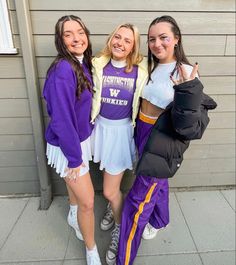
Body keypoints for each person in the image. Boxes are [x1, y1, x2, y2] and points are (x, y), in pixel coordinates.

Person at [117, 15, 217, 265]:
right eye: (152, 39)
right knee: (156, 183)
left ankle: (123, 258)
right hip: (141, 128)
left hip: (160, 139)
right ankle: (160, 220)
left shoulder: (185, 72)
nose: (157, 44)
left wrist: (187, 90)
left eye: (163, 37)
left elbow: (189, 128)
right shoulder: (149, 66)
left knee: (137, 200)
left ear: (176, 39)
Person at [43, 15, 101, 265]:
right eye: (68, 34)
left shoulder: (82, 63)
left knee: (77, 195)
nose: (77, 38)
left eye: (80, 32)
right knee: (89, 201)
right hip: (69, 146)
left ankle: (73, 214)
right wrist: (75, 159)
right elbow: (62, 120)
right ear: (61, 40)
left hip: (78, 140)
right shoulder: (63, 70)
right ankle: (91, 250)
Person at [91, 23, 148, 265]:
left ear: (133, 47)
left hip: (120, 132)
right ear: (110, 38)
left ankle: (119, 227)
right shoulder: (97, 64)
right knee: (107, 176)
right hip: (99, 129)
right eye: (117, 37)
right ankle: (113, 209)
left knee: (109, 191)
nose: (120, 43)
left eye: (127, 40)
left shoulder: (139, 71)